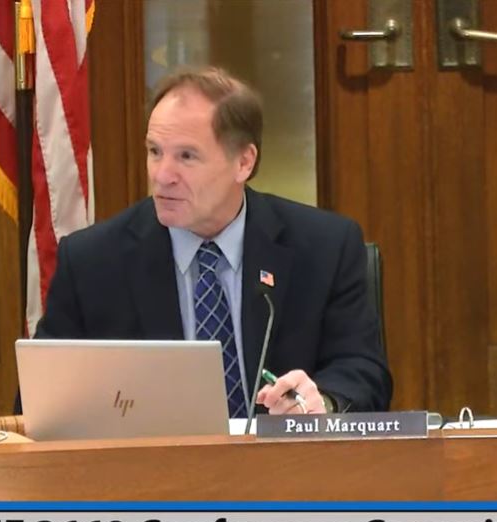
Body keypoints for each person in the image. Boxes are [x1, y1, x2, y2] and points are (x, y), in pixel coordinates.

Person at [34, 66, 391, 417]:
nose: (162, 175)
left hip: (285, 469)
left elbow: (362, 371)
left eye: (186, 156)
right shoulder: (92, 262)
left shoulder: (324, 247)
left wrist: (322, 403)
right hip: (149, 470)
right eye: (155, 151)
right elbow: (42, 401)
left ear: (244, 163)